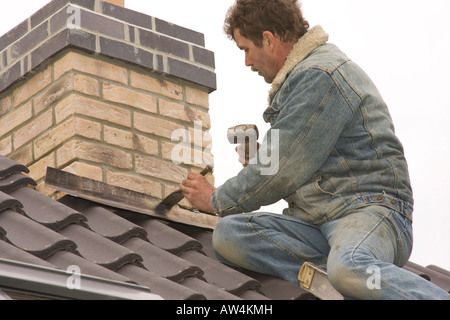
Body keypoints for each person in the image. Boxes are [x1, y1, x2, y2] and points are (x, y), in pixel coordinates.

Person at [179, 0, 450, 300]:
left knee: (351, 266)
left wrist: (216, 199)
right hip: (317, 224)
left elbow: (280, 170)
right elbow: (291, 162)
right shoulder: (300, 79)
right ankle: (334, 278)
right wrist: (259, 162)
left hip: (369, 212)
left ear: (268, 40)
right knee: (230, 235)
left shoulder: (321, 75)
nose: (246, 62)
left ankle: (352, 277)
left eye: (246, 49)